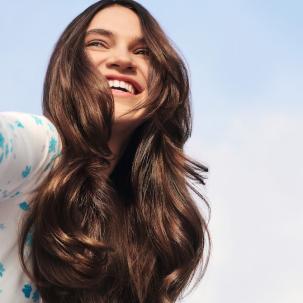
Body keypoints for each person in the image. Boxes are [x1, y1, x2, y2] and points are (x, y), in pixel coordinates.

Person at [0, 0, 211, 302]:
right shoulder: (42, 146)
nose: (123, 59)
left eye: (143, 51)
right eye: (99, 43)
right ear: (70, 67)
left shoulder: (145, 228)